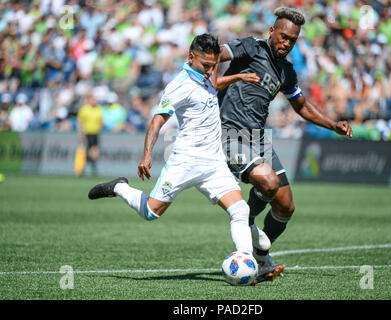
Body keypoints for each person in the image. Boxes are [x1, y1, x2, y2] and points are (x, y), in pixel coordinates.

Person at [88, 34, 263, 280]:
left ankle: (247, 264)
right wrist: (146, 155)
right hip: (186, 161)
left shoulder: (205, 75)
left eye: (214, 66)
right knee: (151, 212)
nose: (210, 71)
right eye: (206, 66)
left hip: (213, 163)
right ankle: (119, 187)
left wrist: (238, 77)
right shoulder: (179, 85)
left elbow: (213, 86)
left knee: (240, 210)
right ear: (191, 57)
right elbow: (157, 120)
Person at [217, 7, 353, 283]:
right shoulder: (250, 47)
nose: (286, 43)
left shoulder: (286, 72)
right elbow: (216, 54)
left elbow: (301, 106)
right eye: (282, 36)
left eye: (292, 39)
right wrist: (210, 80)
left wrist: (332, 124)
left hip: (259, 138)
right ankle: (245, 220)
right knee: (267, 184)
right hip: (230, 133)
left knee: (286, 206)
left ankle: (260, 257)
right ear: (272, 31)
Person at [77, 94, 103, 176]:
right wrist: (81, 133)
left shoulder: (98, 109)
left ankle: (89, 166)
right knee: (88, 151)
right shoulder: (84, 109)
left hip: (95, 133)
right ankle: (86, 168)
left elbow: (101, 120)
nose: (94, 101)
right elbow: (80, 122)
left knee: (94, 151)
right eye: (92, 99)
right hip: (87, 133)